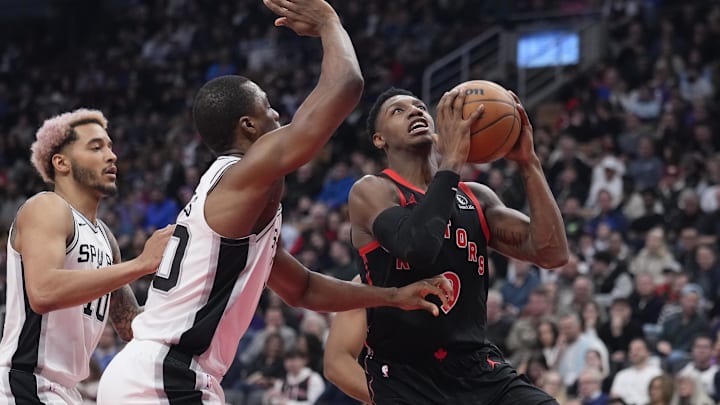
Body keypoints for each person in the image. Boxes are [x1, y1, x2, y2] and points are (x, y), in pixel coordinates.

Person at [96, 1, 451, 403]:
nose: (278, 113)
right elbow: (345, 86)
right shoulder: (243, 177)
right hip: (165, 377)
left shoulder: (236, 206)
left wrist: (392, 297)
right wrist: (330, 24)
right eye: (268, 108)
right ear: (248, 126)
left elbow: (302, 289)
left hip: (158, 374)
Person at [326, 87, 569, 403]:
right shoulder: (373, 191)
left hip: (475, 367)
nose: (415, 111)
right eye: (397, 111)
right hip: (406, 376)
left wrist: (528, 163)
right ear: (379, 139)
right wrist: (452, 160)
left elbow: (552, 252)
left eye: (419, 107)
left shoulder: (476, 198)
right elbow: (418, 246)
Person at [0, 108, 173, 403]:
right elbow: (43, 292)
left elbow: (131, 325)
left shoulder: (105, 237)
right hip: (26, 381)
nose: (111, 155)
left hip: (66, 390)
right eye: (96, 147)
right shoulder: (47, 207)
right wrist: (141, 264)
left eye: (110, 146)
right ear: (61, 162)